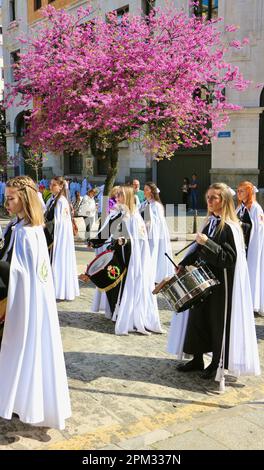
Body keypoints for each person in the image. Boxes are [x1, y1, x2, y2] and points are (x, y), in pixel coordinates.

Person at [167, 182, 260, 382]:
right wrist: (184, 264)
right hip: (203, 280)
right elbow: (198, 250)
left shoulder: (231, 227)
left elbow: (229, 258)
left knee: (218, 323)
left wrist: (206, 242)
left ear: (224, 201)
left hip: (221, 285)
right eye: (207, 197)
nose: (209, 201)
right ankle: (197, 358)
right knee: (197, 320)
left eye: (214, 198)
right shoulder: (209, 221)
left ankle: (217, 362)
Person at [0, 176, 71, 429]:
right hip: (15, 299)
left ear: (25, 199)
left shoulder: (30, 233)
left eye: (11, 198)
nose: (6, 203)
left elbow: (19, 272)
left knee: (22, 350)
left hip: (22, 305)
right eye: (6, 197)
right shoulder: (17, 227)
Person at [89, 186, 163, 335]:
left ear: (127, 197)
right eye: (117, 194)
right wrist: (94, 242)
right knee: (115, 286)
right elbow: (108, 230)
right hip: (119, 255)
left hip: (131, 259)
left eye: (120, 195)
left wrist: (126, 242)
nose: (117, 197)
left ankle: (128, 316)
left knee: (125, 287)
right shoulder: (120, 214)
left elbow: (140, 242)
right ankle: (118, 311)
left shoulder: (135, 218)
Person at [45, 176, 79, 300]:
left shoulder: (62, 201)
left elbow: (61, 223)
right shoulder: (52, 199)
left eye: (54, 185)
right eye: (50, 184)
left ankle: (59, 289)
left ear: (60, 187)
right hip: (50, 235)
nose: (51, 186)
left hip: (56, 237)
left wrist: (46, 225)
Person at [236, 181, 264, 315]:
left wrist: (242, 224)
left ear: (248, 192)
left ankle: (252, 302)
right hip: (242, 247)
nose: (238, 193)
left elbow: (257, 230)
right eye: (238, 190)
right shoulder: (240, 207)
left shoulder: (256, 208)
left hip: (252, 248)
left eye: (241, 190)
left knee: (252, 273)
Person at [140, 182, 174, 284]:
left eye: (146, 189)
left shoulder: (157, 206)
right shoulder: (144, 204)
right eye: (144, 189)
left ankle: (154, 276)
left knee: (155, 254)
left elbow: (158, 223)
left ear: (152, 192)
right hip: (145, 234)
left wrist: (148, 223)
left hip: (155, 236)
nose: (144, 191)